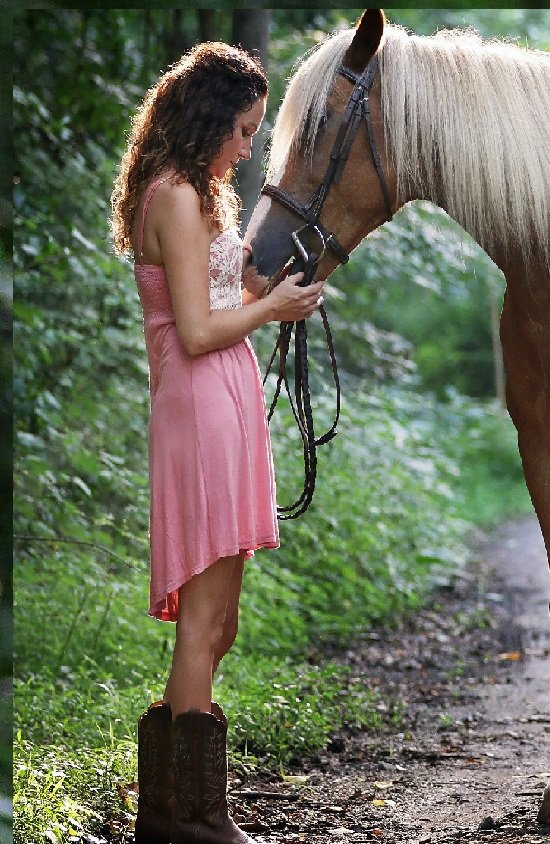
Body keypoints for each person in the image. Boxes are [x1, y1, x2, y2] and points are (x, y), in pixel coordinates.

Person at [111, 42, 323, 843]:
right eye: (241, 130)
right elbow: (197, 330)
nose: (247, 147)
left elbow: (229, 293)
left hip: (224, 402)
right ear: (206, 121)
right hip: (199, 403)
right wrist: (268, 314)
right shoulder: (170, 196)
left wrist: (280, 293)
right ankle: (197, 819)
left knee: (220, 623)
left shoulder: (205, 194)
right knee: (202, 623)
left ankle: (169, 810)